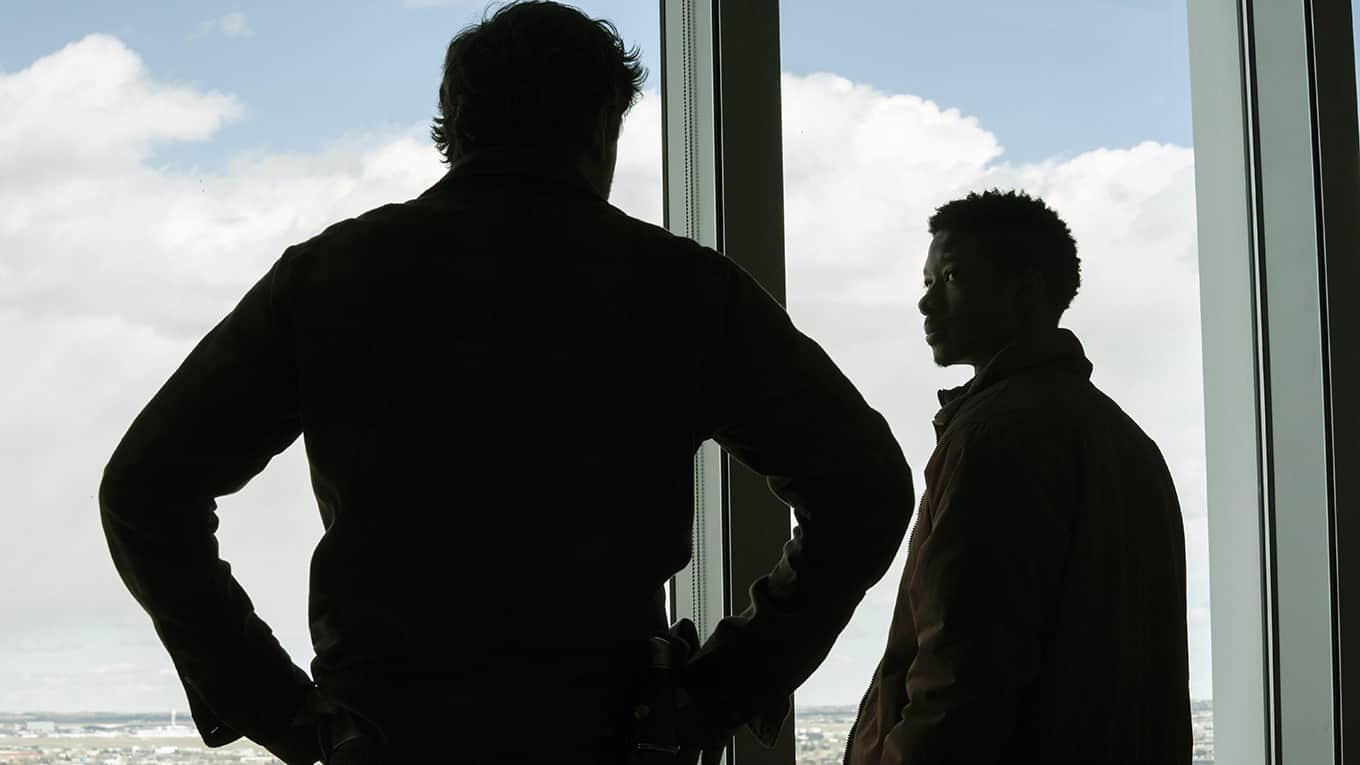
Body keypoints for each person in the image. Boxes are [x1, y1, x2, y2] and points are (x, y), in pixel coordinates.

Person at [98, 2, 915, 763]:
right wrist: (721, 688)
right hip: (609, 734)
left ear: (453, 124)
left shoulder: (330, 277)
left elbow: (144, 489)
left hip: (387, 734)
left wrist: (276, 705)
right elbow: (867, 487)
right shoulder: (684, 289)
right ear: (603, 127)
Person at [843, 190, 1191, 764]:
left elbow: (962, 676)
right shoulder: (1126, 438)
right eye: (927, 281)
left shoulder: (995, 438)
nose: (926, 302)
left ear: (1024, 292)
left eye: (951, 277)